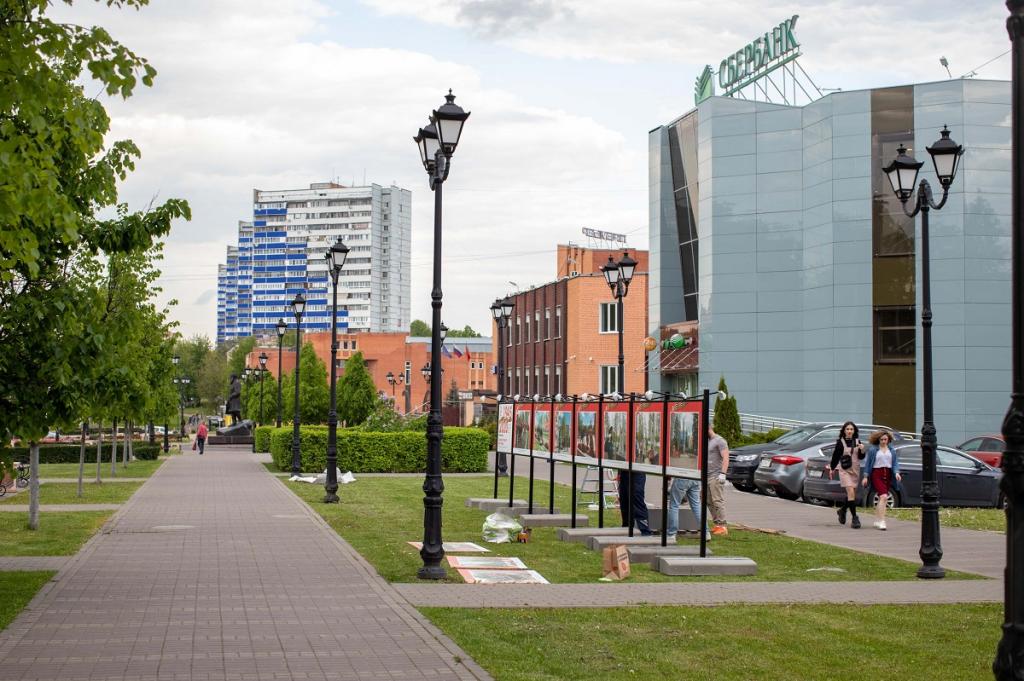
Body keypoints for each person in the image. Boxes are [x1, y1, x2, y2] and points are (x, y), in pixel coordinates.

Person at [862, 430, 902, 531]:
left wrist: (896, 473)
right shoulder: (873, 450)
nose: (884, 441)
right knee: (884, 496)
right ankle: (882, 521)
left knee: (881, 498)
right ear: (878, 440)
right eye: (882, 439)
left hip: (887, 474)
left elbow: (895, 463)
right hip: (877, 473)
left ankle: (877, 519)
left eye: (885, 439)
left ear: (888, 440)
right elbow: (868, 464)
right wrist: (865, 476)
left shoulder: (891, 450)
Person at [828, 421, 865, 529]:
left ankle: (842, 510)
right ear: (844, 431)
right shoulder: (840, 442)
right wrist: (832, 468)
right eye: (847, 429)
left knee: (851, 495)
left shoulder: (858, 442)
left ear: (854, 431)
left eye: (851, 429)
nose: (849, 431)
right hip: (844, 470)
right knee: (850, 492)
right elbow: (835, 456)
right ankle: (855, 518)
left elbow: (861, 457)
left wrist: (862, 450)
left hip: (855, 470)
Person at [666, 475, 711, 542]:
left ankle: (672, 534)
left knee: (674, 505)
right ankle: (706, 532)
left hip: (682, 476)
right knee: (697, 506)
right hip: (695, 477)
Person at [706, 426, 730, 536]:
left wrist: (723, 474)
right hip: (706, 476)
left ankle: (723, 526)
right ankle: (717, 525)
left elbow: (726, 457)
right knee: (709, 501)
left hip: (716, 476)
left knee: (717, 501)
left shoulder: (720, 441)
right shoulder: (708, 441)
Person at [617, 468, 652, 536]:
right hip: (624, 471)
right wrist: (619, 473)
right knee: (624, 502)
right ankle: (626, 529)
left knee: (637, 502)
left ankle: (645, 532)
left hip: (637, 471)